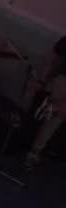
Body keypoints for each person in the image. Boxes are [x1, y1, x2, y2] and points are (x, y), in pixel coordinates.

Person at [25, 36, 66, 169]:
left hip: (58, 87)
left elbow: (53, 59)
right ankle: (33, 153)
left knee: (53, 119)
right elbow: (53, 59)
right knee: (52, 120)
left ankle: (33, 152)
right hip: (57, 85)